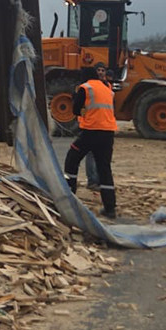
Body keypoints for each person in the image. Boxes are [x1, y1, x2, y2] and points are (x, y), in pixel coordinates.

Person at [63, 62, 118, 218]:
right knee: (104, 169)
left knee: (72, 158)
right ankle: (110, 207)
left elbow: (75, 110)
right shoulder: (107, 89)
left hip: (91, 132)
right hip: (108, 133)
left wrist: (81, 107)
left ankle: (69, 195)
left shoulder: (86, 88)